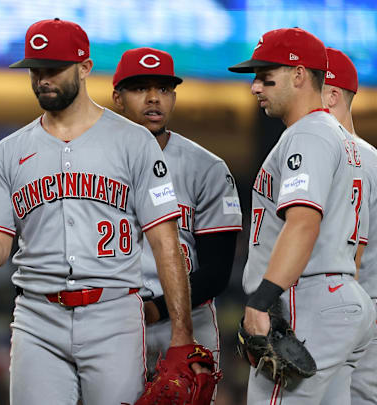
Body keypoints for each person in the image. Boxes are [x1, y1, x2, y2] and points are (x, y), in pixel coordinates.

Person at [0, 18, 203, 404]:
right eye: (36, 69)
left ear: (84, 68)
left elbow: (166, 243)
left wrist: (182, 333)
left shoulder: (134, 142)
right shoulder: (9, 151)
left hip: (113, 312)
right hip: (37, 316)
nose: (43, 78)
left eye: (54, 68)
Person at [229, 28, 377, 404]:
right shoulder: (347, 142)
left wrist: (261, 300)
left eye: (266, 77)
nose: (255, 88)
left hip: (308, 298)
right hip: (343, 295)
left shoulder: (308, 134)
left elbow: (303, 222)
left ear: (298, 75)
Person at [112, 47, 242, 398]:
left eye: (164, 89)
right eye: (140, 88)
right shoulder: (93, 162)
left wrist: (156, 310)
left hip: (189, 320)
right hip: (111, 320)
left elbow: (217, 271)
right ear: (118, 97)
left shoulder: (207, 167)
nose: (154, 99)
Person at [321, 47, 377, 405]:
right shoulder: (373, 159)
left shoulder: (335, 157)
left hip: (343, 313)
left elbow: (346, 253)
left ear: (332, 94)